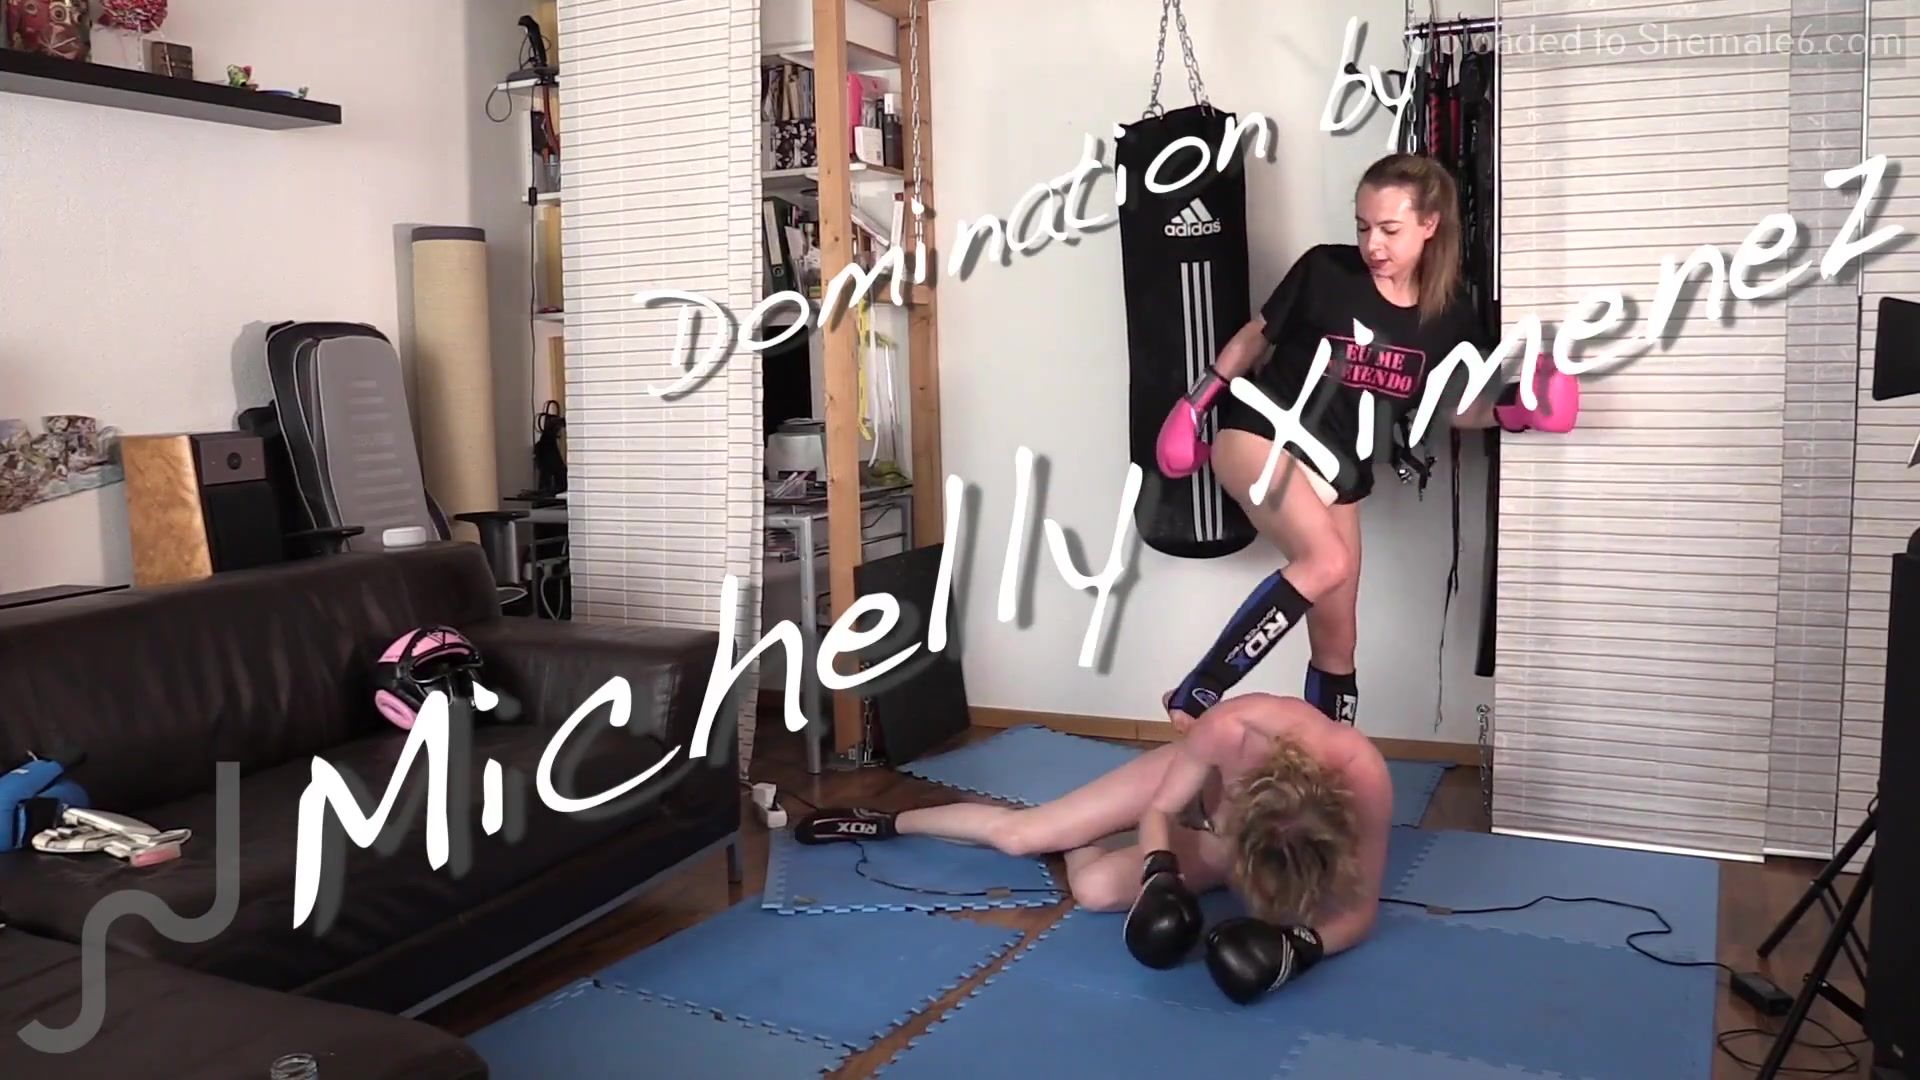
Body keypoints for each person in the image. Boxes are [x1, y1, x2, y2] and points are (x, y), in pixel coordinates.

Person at [1153, 152, 1579, 732]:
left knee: (1339, 645)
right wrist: (1195, 404)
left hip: (1339, 471)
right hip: (1262, 429)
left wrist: (1515, 410)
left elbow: (1445, 407)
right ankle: (1194, 695)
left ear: (1429, 225)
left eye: (1389, 229)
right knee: (1325, 561)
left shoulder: (1450, 314)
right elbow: (1257, 336)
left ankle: (1326, 766)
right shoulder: (1326, 271)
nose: (1372, 244)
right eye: (1363, 227)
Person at [792, 692, 1393, 1004]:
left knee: (1095, 890)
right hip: (1191, 802)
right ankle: (888, 822)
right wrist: (1160, 871)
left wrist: (1304, 945)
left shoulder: (1362, 776)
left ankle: (1092, 832)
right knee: (1021, 835)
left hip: (1226, 846)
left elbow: (1359, 913)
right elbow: (1160, 810)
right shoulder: (1235, 728)